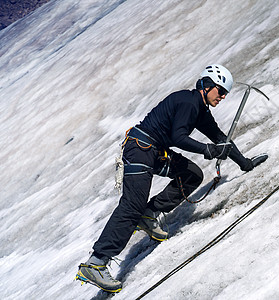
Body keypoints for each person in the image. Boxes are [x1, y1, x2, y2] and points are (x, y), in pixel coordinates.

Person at [75, 64, 268, 292]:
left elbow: (219, 137)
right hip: (140, 148)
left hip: (153, 152)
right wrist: (207, 150)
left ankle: (149, 214)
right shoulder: (189, 102)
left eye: (225, 92)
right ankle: (96, 263)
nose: (223, 96)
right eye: (220, 90)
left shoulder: (201, 110)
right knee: (131, 205)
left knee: (191, 175)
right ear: (206, 86)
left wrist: (243, 163)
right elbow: (179, 137)